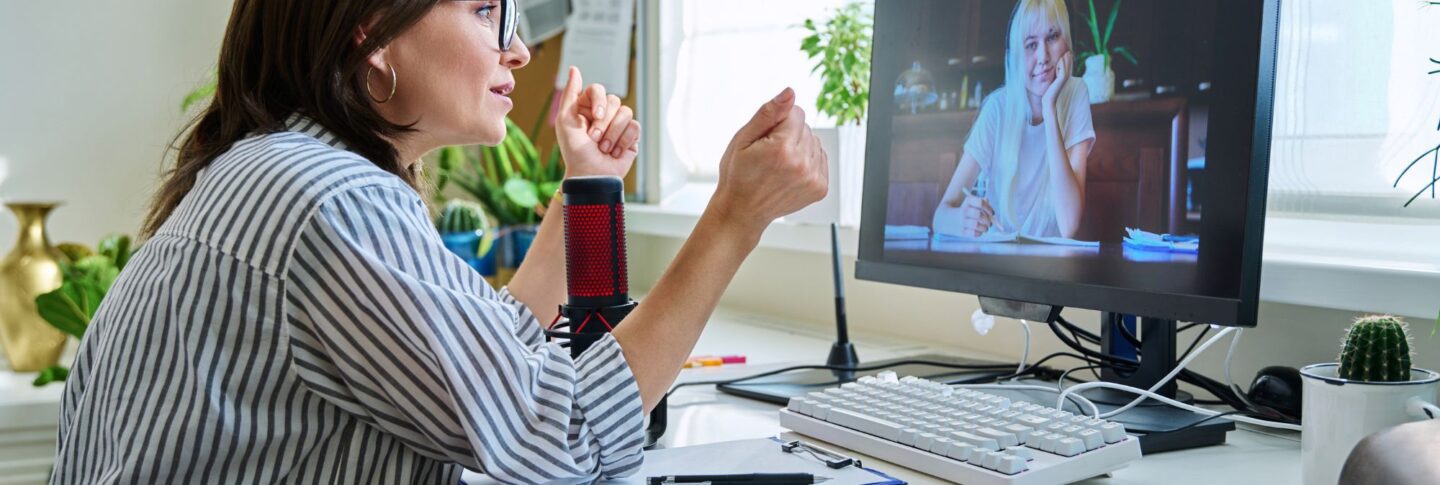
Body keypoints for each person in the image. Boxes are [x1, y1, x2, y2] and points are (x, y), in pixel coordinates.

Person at [49, 0, 827, 483]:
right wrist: (734, 219)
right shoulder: (331, 201)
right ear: (372, 31)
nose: (517, 51)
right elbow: (566, 436)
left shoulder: (271, 168)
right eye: (486, 10)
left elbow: (486, 361)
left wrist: (586, 190)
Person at [933, 0, 1095, 239]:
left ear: (1067, 41)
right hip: (999, 255)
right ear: (1017, 55)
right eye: (1031, 44)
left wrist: (1049, 109)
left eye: (1052, 37)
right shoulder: (997, 108)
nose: (1043, 56)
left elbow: (1069, 224)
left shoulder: (1076, 93)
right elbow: (940, 217)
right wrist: (961, 220)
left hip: (1050, 260)